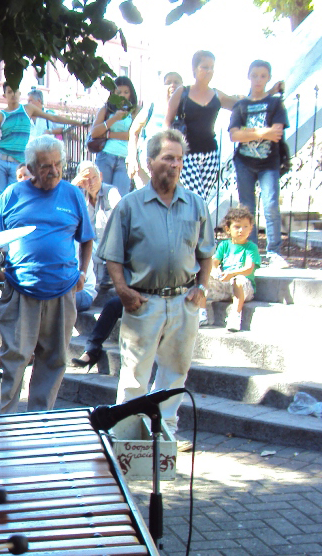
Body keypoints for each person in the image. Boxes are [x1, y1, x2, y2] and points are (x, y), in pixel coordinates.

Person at [98, 130, 214, 447]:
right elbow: (112, 255)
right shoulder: (130, 206)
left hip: (183, 302)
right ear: (150, 163)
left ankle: (164, 435)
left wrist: (201, 288)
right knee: (135, 374)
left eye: (179, 159)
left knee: (175, 372)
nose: (175, 165)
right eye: (168, 158)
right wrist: (122, 290)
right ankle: (125, 439)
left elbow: (206, 254)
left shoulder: (196, 205)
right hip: (143, 303)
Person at [0, 135, 94, 414]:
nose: (53, 171)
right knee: (11, 360)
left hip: (63, 291)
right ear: (31, 167)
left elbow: (87, 238)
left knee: (54, 361)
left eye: (58, 164)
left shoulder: (72, 194)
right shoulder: (12, 195)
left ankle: (38, 425)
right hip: (21, 290)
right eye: (45, 166)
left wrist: (82, 271)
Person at [165, 50, 281, 200]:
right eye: (204, 67)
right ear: (194, 68)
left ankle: (196, 224)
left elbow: (242, 104)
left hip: (210, 154)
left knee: (203, 198)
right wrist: (170, 148)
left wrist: (270, 92)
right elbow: (167, 121)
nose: (209, 71)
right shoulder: (182, 92)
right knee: (197, 197)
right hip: (186, 153)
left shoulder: (216, 95)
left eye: (212, 67)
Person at [229, 59, 288, 262]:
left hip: (268, 162)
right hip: (245, 162)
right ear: (248, 76)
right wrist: (263, 131)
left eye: (263, 76)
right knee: (246, 208)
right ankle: (250, 252)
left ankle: (274, 252)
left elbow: (277, 133)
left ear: (268, 78)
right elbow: (234, 135)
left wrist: (248, 132)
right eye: (255, 75)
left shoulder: (274, 103)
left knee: (270, 204)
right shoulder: (241, 105)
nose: (258, 80)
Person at [70, 161, 123, 369]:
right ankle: (91, 350)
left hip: (108, 248)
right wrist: (76, 183)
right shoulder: (78, 194)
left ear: (100, 175)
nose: (90, 182)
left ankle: (90, 350)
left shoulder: (111, 193)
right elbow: (61, 199)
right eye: (86, 178)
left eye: (93, 177)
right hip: (92, 249)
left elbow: (121, 219)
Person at [0, 83, 83, 195]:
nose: (13, 94)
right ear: (4, 95)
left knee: (15, 194)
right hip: (1, 160)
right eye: (9, 92)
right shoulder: (0, 116)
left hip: (18, 161)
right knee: (0, 194)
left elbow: (52, 117)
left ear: (19, 93)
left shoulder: (28, 109)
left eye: (15, 91)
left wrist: (77, 123)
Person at [205, 204, 261, 332]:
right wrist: (215, 270)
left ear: (251, 229)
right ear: (228, 229)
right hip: (225, 285)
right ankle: (203, 313)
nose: (241, 230)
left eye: (245, 226)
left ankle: (235, 316)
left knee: (238, 280)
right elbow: (214, 261)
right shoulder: (224, 245)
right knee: (203, 279)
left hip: (244, 287)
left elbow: (248, 268)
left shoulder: (251, 247)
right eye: (237, 226)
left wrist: (232, 273)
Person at [129, 71, 183, 189]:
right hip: (146, 166)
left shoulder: (185, 109)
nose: (172, 85)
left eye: (176, 82)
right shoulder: (152, 106)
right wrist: (132, 158)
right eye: (168, 82)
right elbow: (134, 131)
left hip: (173, 167)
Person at [89, 75, 140, 197]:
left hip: (124, 157)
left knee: (120, 198)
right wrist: (114, 119)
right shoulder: (106, 110)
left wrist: (109, 134)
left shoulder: (135, 111)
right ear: (113, 93)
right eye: (119, 92)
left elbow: (133, 135)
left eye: (126, 92)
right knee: (100, 194)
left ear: (131, 94)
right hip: (106, 155)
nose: (122, 95)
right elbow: (94, 132)